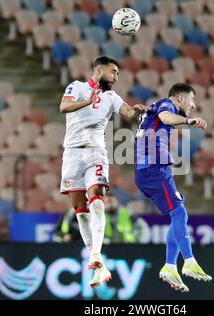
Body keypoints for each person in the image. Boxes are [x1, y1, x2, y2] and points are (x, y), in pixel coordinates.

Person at [59, 56, 147, 288]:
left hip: (96, 152)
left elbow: (127, 112)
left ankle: (96, 255)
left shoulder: (111, 96)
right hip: (72, 154)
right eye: (113, 72)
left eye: (117, 73)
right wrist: (86, 102)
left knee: (96, 198)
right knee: (79, 208)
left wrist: (139, 112)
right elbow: (64, 107)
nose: (116, 77)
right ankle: (98, 264)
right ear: (99, 70)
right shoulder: (76, 87)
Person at [134, 83, 212, 293]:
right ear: (180, 98)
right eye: (192, 100)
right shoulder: (166, 104)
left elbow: (156, 118)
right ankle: (188, 261)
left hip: (152, 171)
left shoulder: (156, 106)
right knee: (179, 212)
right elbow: (167, 117)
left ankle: (170, 266)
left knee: (178, 214)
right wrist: (188, 121)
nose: (193, 105)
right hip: (153, 169)